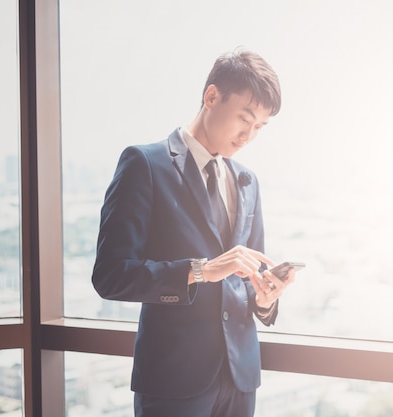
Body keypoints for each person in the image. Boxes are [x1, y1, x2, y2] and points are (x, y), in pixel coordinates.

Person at [92, 49, 293, 417]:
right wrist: (200, 270)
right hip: (173, 380)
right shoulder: (145, 165)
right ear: (212, 97)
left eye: (260, 127)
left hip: (240, 379)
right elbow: (110, 276)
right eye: (244, 119)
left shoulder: (247, 181)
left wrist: (265, 299)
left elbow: (248, 282)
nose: (249, 135)